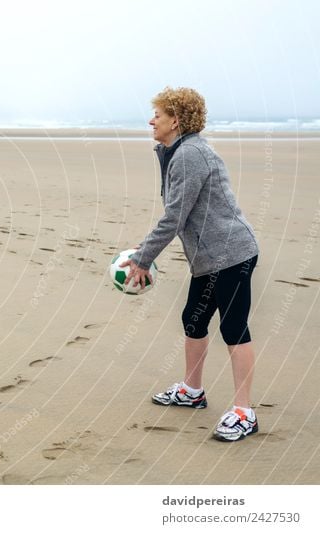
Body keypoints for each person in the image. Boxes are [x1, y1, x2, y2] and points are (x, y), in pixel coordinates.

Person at [122, 87, 260, 442]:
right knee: (194, 320)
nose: (152, 120)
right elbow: (180, 214)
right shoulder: (176, 151)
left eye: (158, 115)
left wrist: (143, 258)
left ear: (176, 120)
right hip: (209, 257)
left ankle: (244, 412)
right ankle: (192, 391)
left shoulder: (190, 155)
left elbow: (174, 217)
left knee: (233, 328)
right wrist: (147, 249)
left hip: (232, 253)